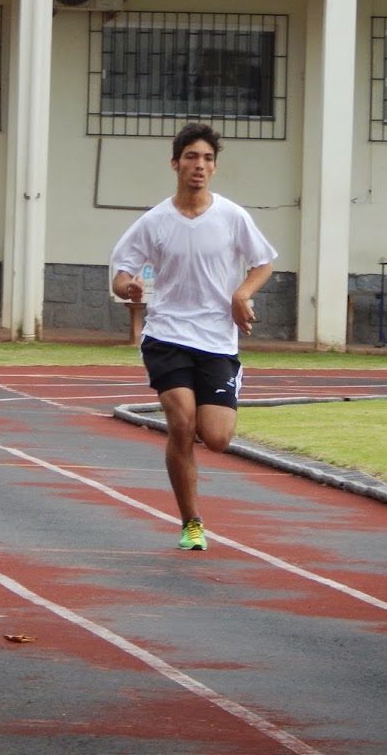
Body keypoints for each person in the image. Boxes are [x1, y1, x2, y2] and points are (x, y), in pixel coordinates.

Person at [110, 123, 277, 552]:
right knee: (181, 423)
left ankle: (228, 387)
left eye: (206, 159)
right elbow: (121, 271)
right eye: (190, 157)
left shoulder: (232, 216)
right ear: (175, 164)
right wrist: (127, 286)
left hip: (217, 341)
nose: (198, 165)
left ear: (214, 168)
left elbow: (263, 263)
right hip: (167, 334)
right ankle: (192, 523)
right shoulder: (155, 221)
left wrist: (242, 293)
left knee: (217, 438)